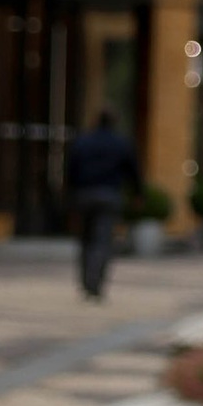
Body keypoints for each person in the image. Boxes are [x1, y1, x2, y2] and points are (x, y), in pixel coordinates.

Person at [66, 111, 139, 299]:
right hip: (109, 196)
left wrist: (70, 196)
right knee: (102, 241)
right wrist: (138, 194)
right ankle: (95, 283)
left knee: (85, 240)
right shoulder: (120, 143)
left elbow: (71, 170)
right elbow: (133, 171)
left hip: (84, 195)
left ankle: (86, 282)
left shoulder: (83, 141)